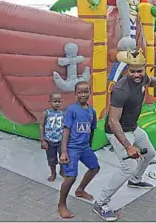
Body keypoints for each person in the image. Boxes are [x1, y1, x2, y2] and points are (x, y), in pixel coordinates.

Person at [93, 48, 156, 222]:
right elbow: (113, 121)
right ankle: (100, 203)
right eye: (132, 71)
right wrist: (128, 146)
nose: (136, 75)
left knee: (150, 153)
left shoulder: (143, 78)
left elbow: (150, 81)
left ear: (144, 68)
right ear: (127, 69)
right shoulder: (121, 90)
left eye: (139, 70)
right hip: (118, 131)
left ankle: (136, 180)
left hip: (133, 127)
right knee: (128, 167)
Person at [58, 81, 100, 219]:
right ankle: (61, 205)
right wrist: (64, 152)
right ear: (75, 94)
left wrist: (90, 146)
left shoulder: (92, 111)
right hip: (72, 148)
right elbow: (66, 131)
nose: (83, 94)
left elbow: (92, 129)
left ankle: (80, 190)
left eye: (86, 91)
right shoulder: (71, 110)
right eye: (80, 92)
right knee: (71, 177)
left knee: (94, 167)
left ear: (90, 92)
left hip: (85, 148)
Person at [39, 92, 65, 182]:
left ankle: (62, 170)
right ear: (49, 102)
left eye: (59, 101)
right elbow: (41, 126)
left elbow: (65, 127)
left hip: (60, 140)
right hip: (49, 141)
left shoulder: (62, 113)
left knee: (63, 156)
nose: (57, 103)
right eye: (55, 101)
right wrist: (42, 140)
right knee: (51, 159)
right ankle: (53, 173)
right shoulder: (46, 113)